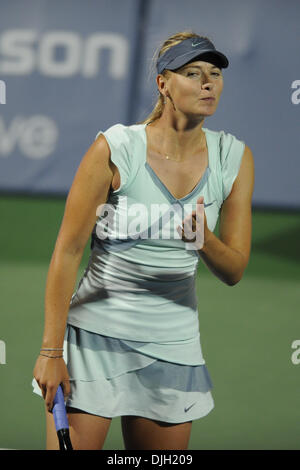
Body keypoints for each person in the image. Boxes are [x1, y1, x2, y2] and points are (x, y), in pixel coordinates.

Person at [32, 30, 254, 450]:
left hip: (174, 348)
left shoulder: (234, 158)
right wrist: (51, 352)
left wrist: (203, 240)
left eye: (214, 73)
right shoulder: (116, 148)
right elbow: (68, 251)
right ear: (163, 83)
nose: (208, 83)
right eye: (192, 72)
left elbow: (235, 269)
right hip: (93, 342)